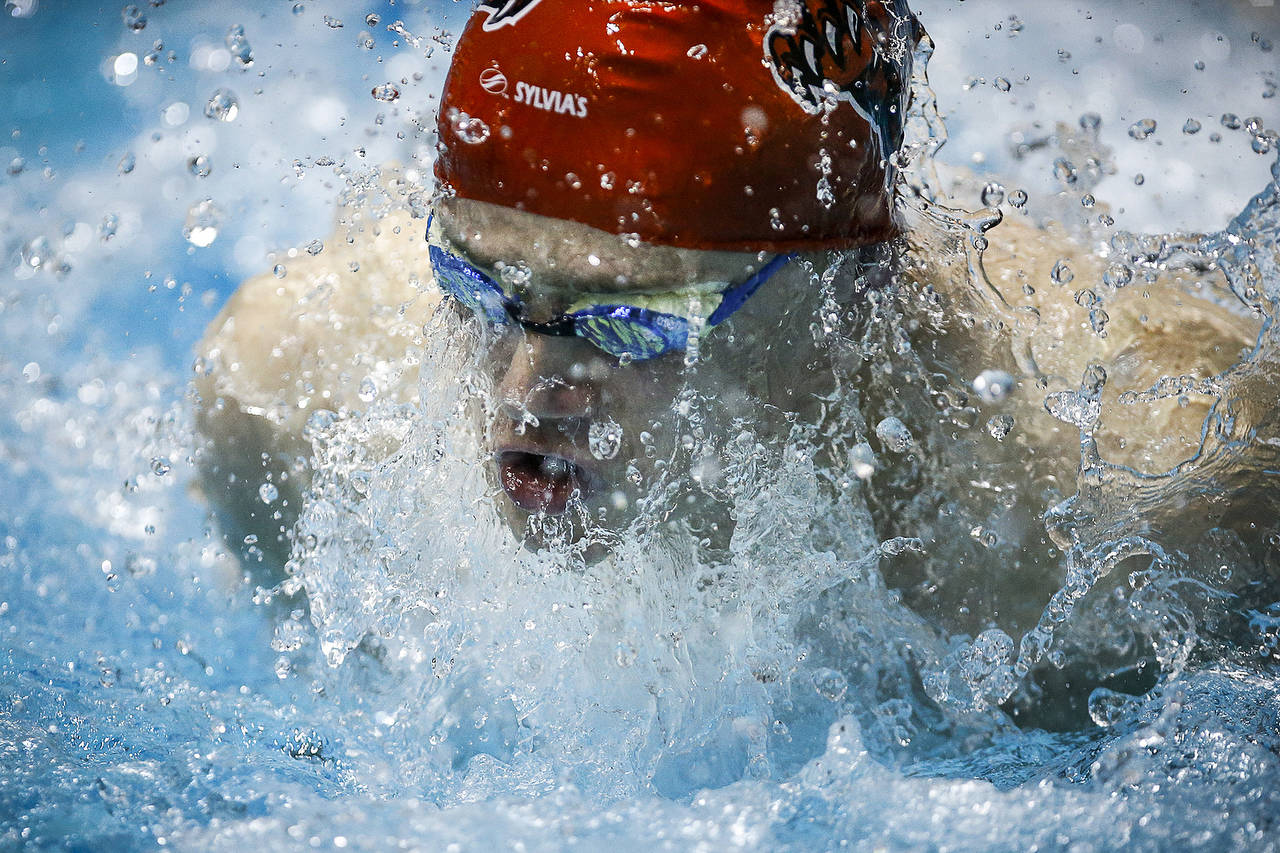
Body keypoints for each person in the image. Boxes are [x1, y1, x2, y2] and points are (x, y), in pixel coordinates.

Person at [193, 0, 1264, 722]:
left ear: (852, 298)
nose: (525, 392)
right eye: (479, 289)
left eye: (632, 322)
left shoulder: (1129, 506)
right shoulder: (283, 391)